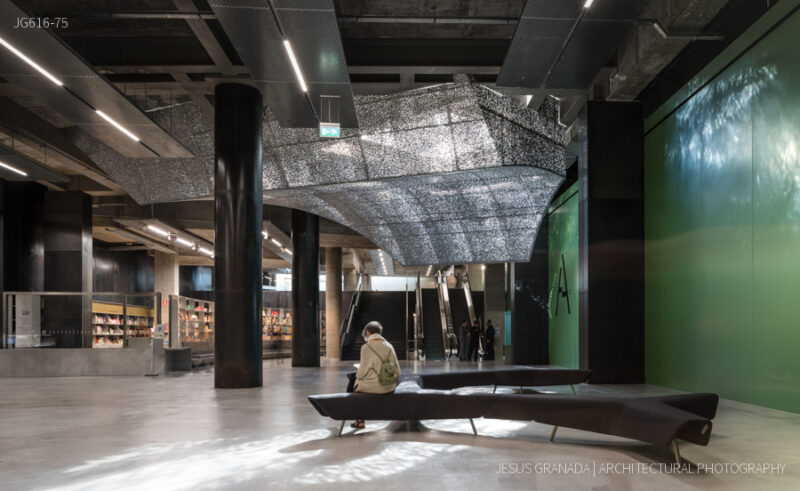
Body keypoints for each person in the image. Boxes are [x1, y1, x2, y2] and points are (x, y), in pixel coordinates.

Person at [350, 321, 401, 429]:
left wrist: (359, 372)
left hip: (371, 386)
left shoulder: (366, 347)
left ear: (368, 333)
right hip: (388, 386)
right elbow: (398, 371)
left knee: (355, 385)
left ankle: (360, 421)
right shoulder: (389, 346)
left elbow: (361, 373)